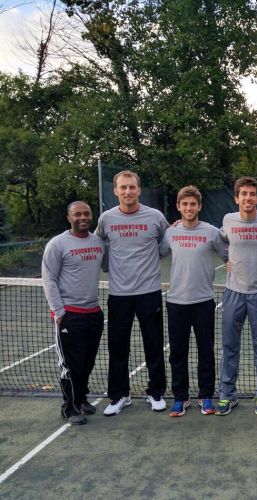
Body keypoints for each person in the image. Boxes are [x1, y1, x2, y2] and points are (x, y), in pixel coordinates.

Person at [96, 170, 169, 416]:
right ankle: (119, 396)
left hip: (149, 293)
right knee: (117, 347)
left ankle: (156, 393)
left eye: (132, 187)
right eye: (123, 187)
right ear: (115, 191)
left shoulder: (156, 217)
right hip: (118, 295)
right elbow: (99, 246)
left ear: (139, 189)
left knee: (154, 345)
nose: (128, 192)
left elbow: (165, 243)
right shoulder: (106, 219)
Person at [159, 186, 228, 417]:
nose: (189, 208)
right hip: (176, 301)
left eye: (193, 204)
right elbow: (156, 252)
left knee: (205, 350)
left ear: (199, 206)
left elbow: (228, 253)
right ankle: (180, 397)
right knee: (178, 352)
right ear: (179, 207)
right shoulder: (171, 233)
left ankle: (206, 396)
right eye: (184, 204)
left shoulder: (211, 231)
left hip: (204, 302)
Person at [217, 177, 257, 416]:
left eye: (252, 194)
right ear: (236, 198)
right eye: (243, 194)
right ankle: (227, 395)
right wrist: (227, 260)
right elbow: (218, 239)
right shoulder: (227, 220)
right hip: (233, 293)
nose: (248, 198)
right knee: (229, 346)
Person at [41, 201, 105, 425]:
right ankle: (69, 408)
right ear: (69, 218)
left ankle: (82, 399)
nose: (83, 217)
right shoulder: (57, 244)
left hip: (94, 313)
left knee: (87, 362)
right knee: (70, 365)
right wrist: (59, 312)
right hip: (69, 315)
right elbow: (48, 279)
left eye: (86, 213)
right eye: (77, 214)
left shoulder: (98, 241)